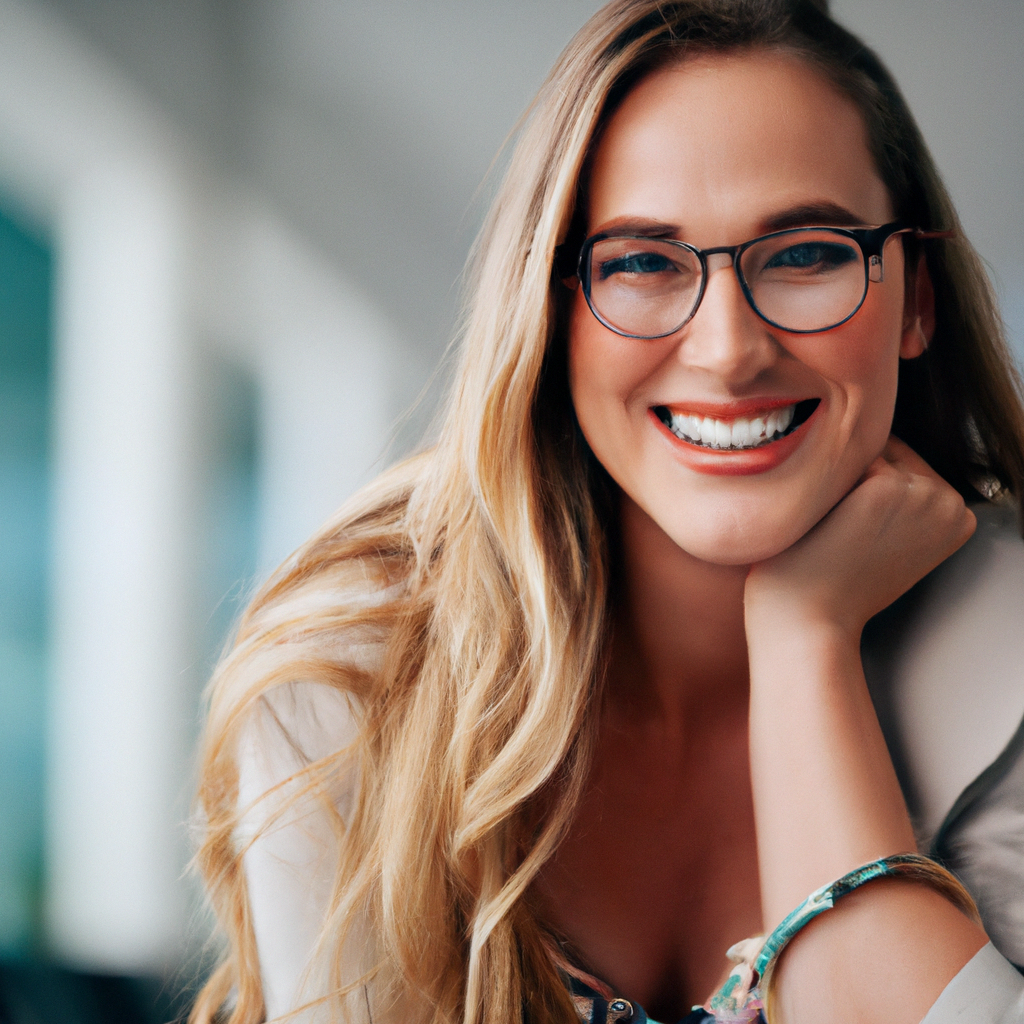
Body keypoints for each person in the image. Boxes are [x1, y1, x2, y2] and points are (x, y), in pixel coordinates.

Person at [190, 1, 1024, 1022]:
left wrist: (805, 642)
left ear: (917, 301)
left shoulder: (1011, 668)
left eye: (806, 254)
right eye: (639, 263)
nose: (728, 349)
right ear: (550, 311)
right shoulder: (359, 679)